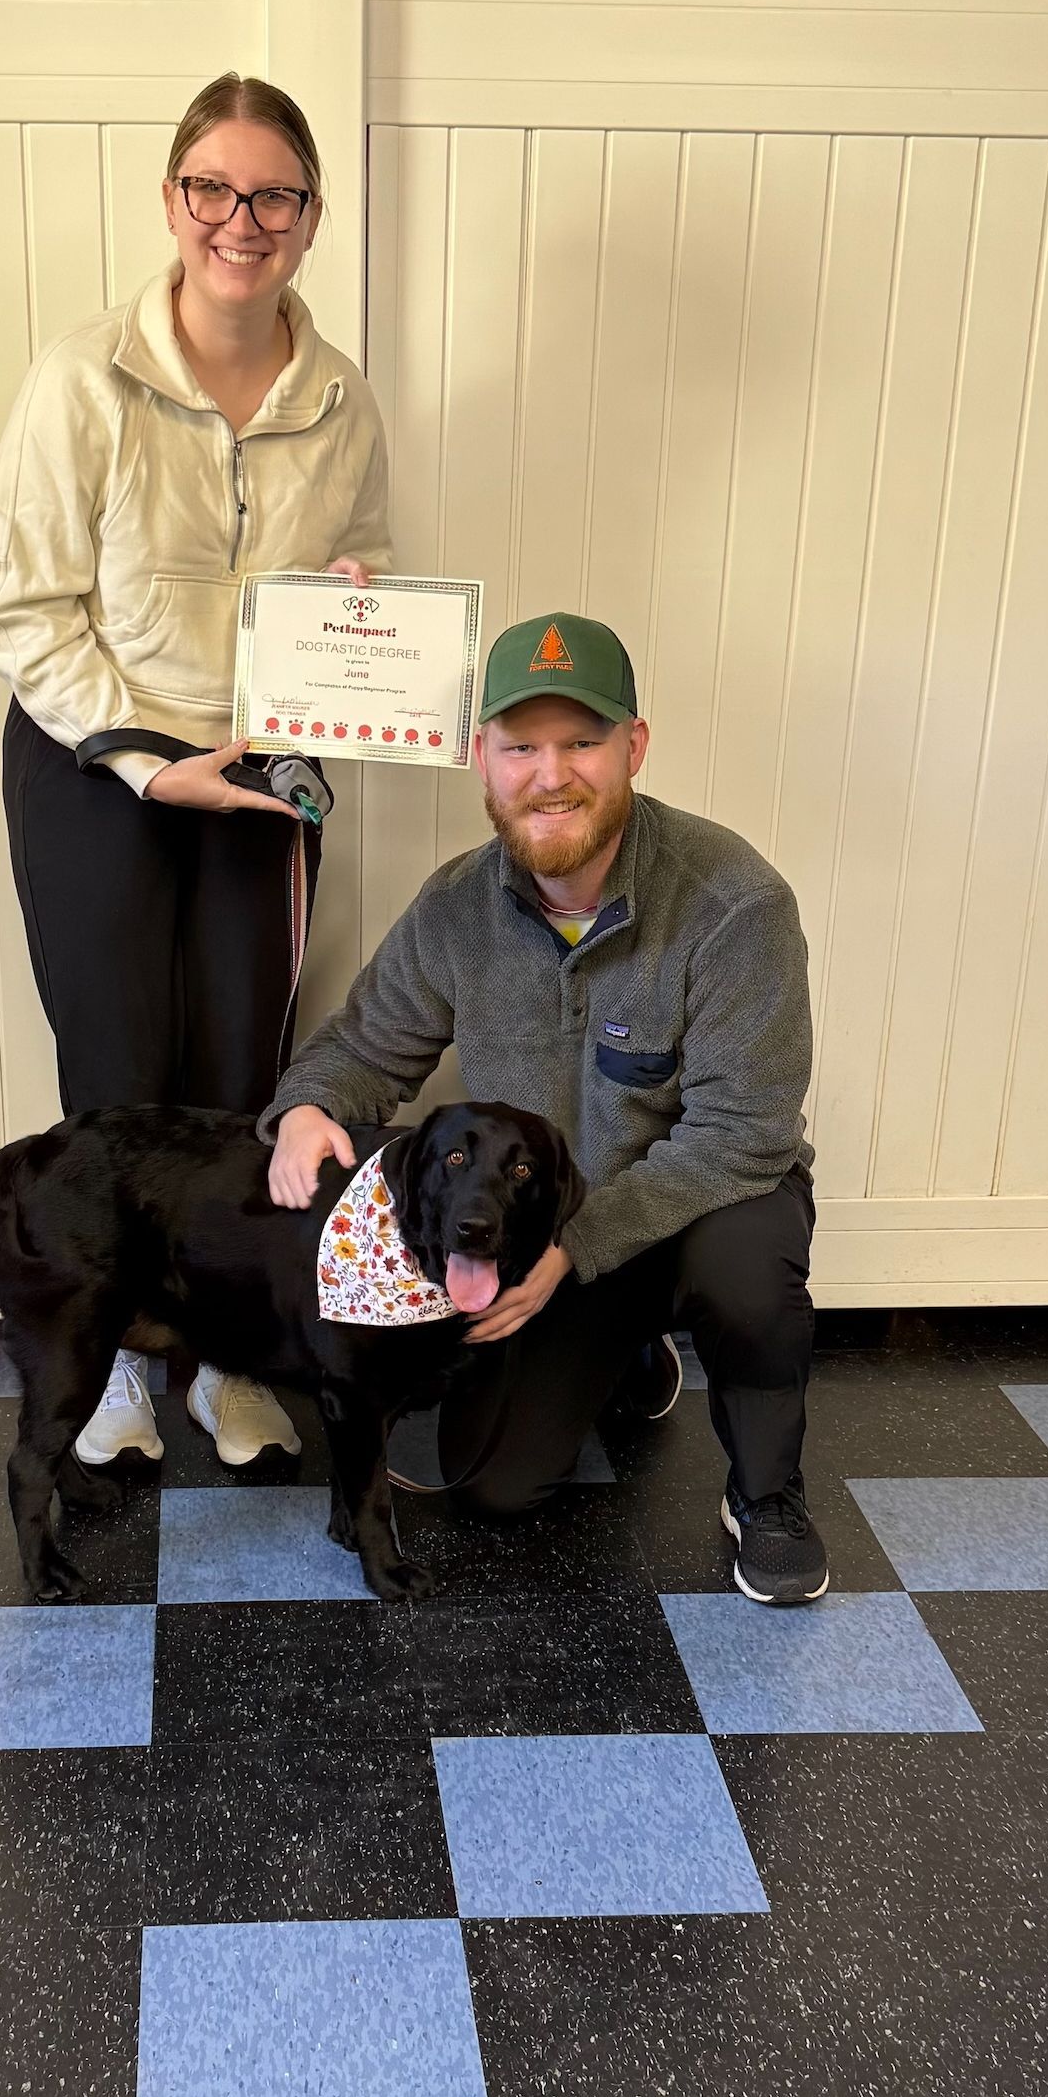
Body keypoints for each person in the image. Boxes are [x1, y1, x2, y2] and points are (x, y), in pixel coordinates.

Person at [0, 73, 392, 1472]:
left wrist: (359, 606)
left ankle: (228, 1363)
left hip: (268, 767)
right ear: (171, 202)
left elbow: (369, 562)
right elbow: (25, 608)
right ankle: (110, 1371)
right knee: (114, 1078)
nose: (242, 219)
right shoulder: (79, 377)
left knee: (239, 1078)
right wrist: (149, 763)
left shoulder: (340, 401)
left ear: (310, 218)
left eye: (273, 195)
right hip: (98, 763)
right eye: (213, 189)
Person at [264, 611, 828, 1604]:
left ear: (634, 747)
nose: (549, 773)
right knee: (491, 1483)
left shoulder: (735, 903)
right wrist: (308, 1106)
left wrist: (576, 1248)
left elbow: (743, 1134)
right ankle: (624, 1354)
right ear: (483, 757)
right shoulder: (453, 907)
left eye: (581, 742)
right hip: (548, 1224)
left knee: (749, 1270)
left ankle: (767, 1494)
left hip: (700, 1205)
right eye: (521, 745)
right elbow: (361, 1047)